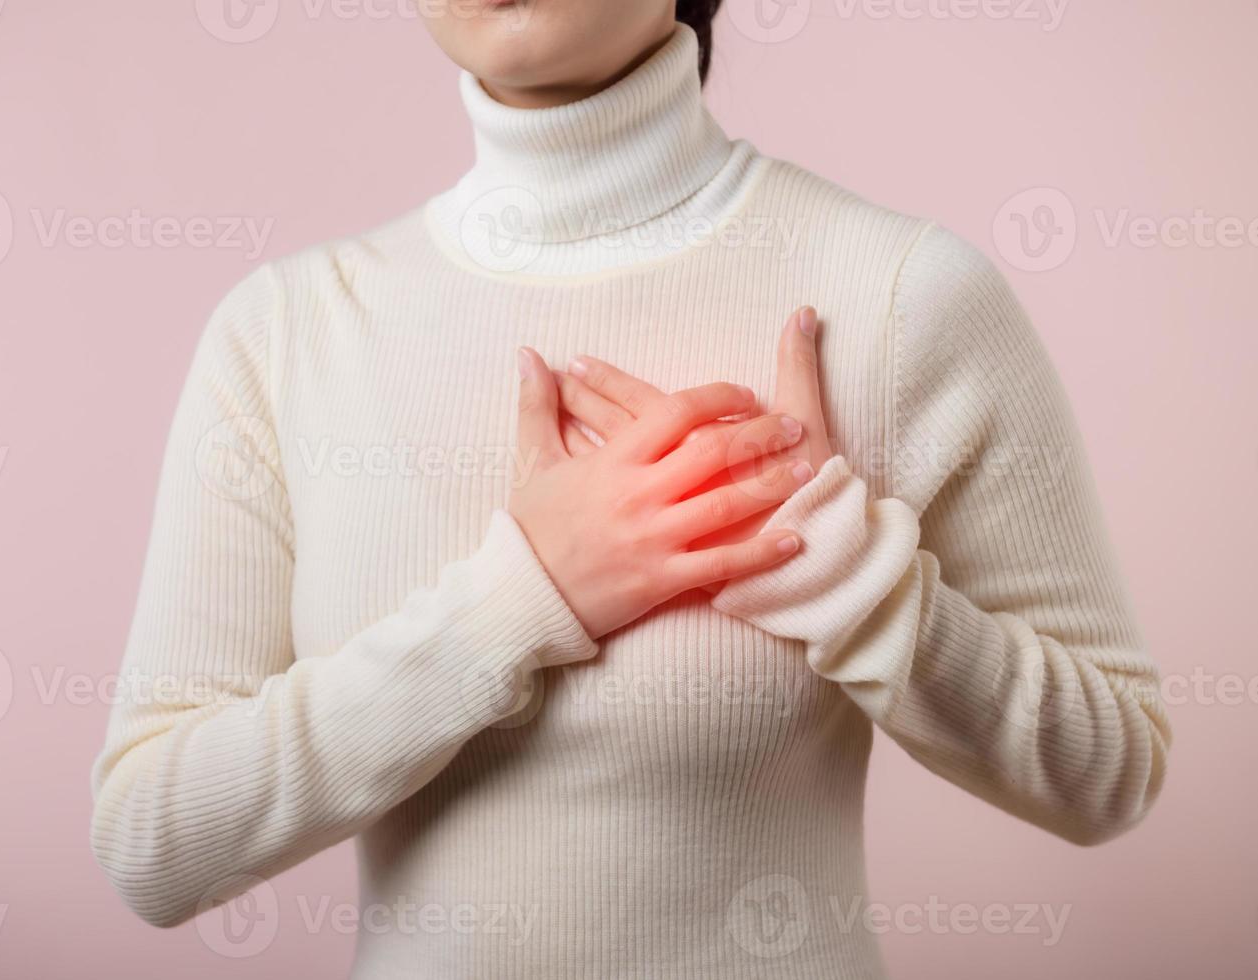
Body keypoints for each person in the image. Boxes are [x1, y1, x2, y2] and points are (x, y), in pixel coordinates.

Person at [91, 2, 1171, 975]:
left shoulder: (899, 298)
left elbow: (1110, 770)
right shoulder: (287, 332)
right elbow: (155, 845)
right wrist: (512, 607)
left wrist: (857, 584)